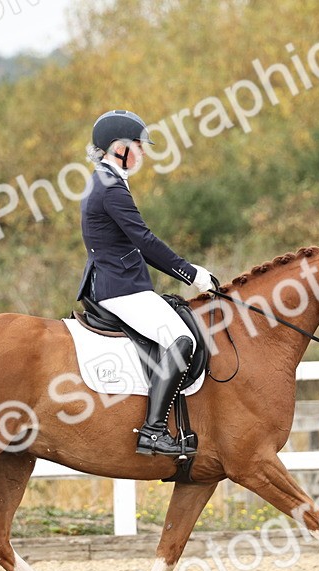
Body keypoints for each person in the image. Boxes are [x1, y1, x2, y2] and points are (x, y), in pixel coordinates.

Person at [77, 109, 215, 457]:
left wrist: (186, 272)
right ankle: (153, 432)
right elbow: (145, 240)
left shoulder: (104, 179)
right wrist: (192, 274)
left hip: (114, 281)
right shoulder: (111, 188)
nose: (143, 151)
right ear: (119, 146)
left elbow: (139, 243)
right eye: (138, 144)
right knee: (181, 339)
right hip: (120, 287)